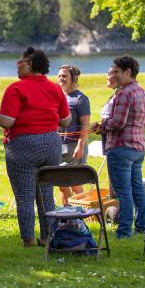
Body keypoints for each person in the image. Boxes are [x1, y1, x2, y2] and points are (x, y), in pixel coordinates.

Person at [0, 47, 71, 247]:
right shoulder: (55, 88)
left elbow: (8, 121)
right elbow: (66, 120)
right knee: (46, 195)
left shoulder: (16, 88)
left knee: (25, 196)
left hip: (23, 145)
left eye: (21, 61)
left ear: (31, 65)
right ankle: (47, 237)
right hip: (52, 144)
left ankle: (28, 240)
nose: (17, 64)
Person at [92, 55, 145, 239]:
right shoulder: (143, 92)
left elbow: (118, 123)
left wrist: (101, 127)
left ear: (128, 72)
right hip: (138, 147)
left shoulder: (124, 93)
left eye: (117, 71)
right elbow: (144, 122)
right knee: (137, 189)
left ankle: (124, 231)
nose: (114, 75)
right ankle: (143, 227)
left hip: (121, 147)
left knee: (123, 192)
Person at [56, 64, 90, 205]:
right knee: (63, 185)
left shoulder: (80, 99)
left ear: (73, 78)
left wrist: (80, 146)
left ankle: (86, 212)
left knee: (70, 183)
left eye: (65, 76)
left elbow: (85, 125)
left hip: (73, 146)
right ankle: (67, 213)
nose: (61, 78)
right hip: (58, 145)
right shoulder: (58, 97)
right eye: (59, 76)